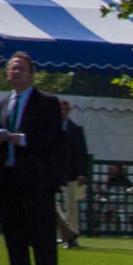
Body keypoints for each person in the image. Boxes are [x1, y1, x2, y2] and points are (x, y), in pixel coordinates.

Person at [0, 52, 63, 265]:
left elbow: (54, 138)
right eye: (12, 68)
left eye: (21, 68)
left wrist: (25, 140)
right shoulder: (1, 105)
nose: (16, 72)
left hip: (36, 179)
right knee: (14, 234)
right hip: (8, 177)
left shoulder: (47, 102)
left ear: (31, 74)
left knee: (41, 233)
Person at [55, 99, 90, 248]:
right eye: (60, 109)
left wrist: (82, 173)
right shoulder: (50, 127)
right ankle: (65, 232)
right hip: (53, 173)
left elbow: (82, 153)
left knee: (72, 206)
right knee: (52, 205)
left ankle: (72, 235)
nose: (62, 112)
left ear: (69, 110)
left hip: (71, 174)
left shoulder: (76, 129)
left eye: (65, 109)